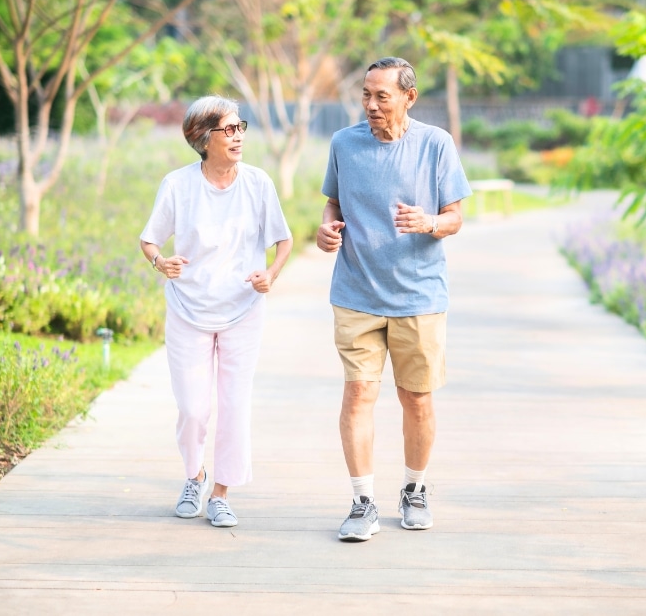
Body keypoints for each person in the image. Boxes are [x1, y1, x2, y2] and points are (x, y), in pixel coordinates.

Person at [316, 57, 472, 542]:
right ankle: (363, 502)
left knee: (417, 399)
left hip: (419, 295)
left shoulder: (435, 144)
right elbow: (333, 203)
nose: (371, 105)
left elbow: (455, 217)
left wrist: (428, 223)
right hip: (356, 292)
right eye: (366, 94)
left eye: (382, 96)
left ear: (409, 96)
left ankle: (415, 489)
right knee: (359, 393)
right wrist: (326, 231)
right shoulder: (344, 143)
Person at [140, 95, 292, 528]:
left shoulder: (259, 183)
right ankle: (195, 476)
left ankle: (221, 493)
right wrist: (160, 262)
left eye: (240, 127)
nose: (238, 136)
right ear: (203, 139)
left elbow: (283, 240)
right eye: (229, 129)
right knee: (192, 408)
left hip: (243, 310)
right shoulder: (177, 185)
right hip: (189, 309)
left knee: (234, 405)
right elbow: (150, 239)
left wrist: (271, 275)